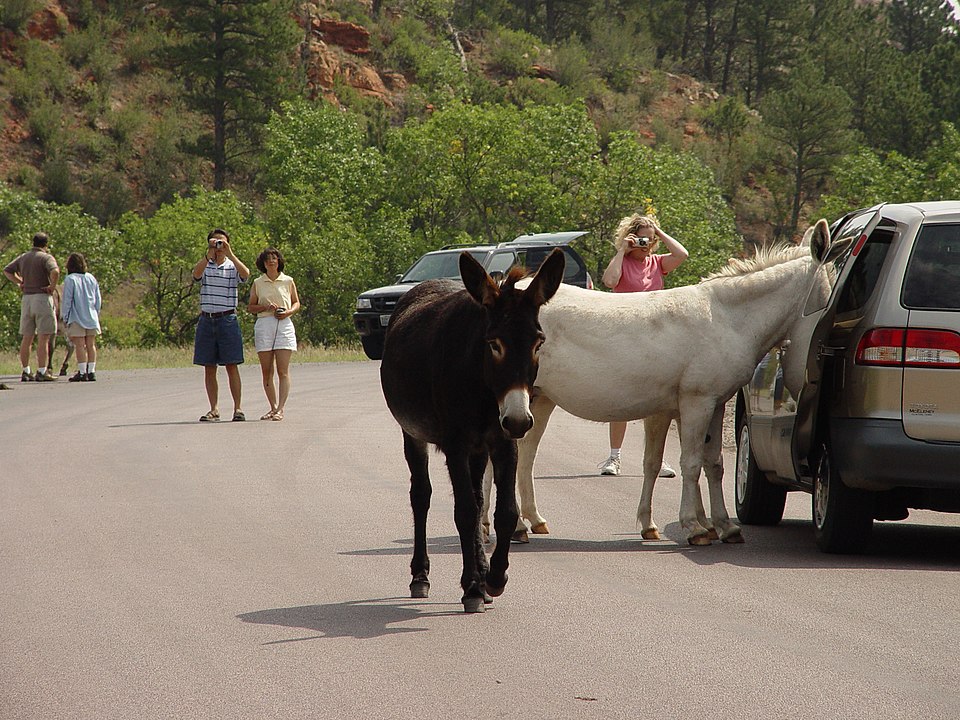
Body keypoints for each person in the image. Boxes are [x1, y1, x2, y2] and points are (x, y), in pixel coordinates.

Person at [597, 213, 689, 477]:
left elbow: (682, 254)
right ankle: (614, 458)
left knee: (657, 400)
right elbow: (610, 282)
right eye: (640, 237)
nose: (645, 243)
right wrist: (622, 250)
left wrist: (658, 233)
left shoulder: (658, 263)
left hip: (655, 337)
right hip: (626, 334)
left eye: (649, 239)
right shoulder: (623, 262)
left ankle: (657, 460)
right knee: (622, 396)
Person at [191, 228, 250, 422]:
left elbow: (246, 274)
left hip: (227, 319)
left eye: (222, 243)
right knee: (209, 366)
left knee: (232, 365)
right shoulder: (205, 265)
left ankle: (238, 408)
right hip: (207, 318)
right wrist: (208, 255)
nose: (218, 246)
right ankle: (214, 409)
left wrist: (230, 253)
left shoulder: (232, 266)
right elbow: (196, 274)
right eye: (215, 243)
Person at [247, 247, 301, 421]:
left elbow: (296, 302)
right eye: (268, 259)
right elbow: (251, 307)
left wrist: (287, 312)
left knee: (283, 370)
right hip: (264, 324)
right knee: (267, 370)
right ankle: (272, 407)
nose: (271, 261)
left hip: (283, 323)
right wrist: (265, 307)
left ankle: (281, 408)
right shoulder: (258, 282)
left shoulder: (288, 281)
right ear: (263, 263)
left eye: (274, 258)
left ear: (279, 261)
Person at [3, 232, 60, 382]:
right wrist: (52, 286)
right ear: (46, 244)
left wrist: (19, 281)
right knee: (44, 336)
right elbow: (55, 271)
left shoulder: (24, 257)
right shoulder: (46, 257)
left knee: (27, 337)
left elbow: (7, 270)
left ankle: (25, 370)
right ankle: (42, 370)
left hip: (27, 299)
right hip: (42, 297)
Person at [61, 253, 102, 382]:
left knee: (80, 345)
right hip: (91, 315)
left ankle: (82, 371)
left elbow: (67, 300)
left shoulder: (70, 279)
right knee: (91, 344)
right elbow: (98, 299)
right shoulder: (91, 278)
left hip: (76, 316)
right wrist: (96, 312)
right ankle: (91, 371)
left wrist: (65, 317)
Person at [47, 285, 75, 378]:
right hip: (60, 317)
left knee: (50, 339)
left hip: (60, 317)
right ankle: (52, 365)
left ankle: (51, 366)